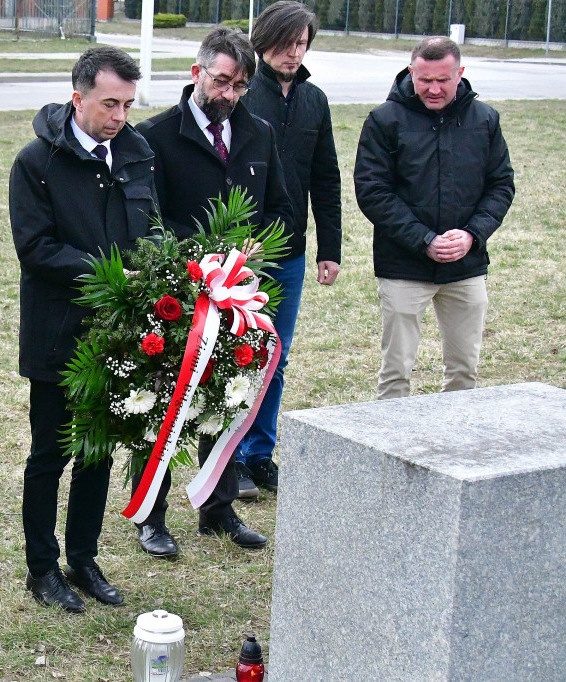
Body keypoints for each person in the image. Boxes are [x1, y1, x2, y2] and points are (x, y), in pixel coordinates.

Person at [134, 27, 295, 558]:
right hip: (179, 294)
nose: (229, 94)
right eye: (221, 81)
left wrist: (256, 249)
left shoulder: (258, 133)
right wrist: (200, 258)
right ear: (196, 72)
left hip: (239, 292)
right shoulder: (154, 137)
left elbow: (280, 208)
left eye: (240, 86)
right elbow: (149, 219)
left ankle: (218, 507)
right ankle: (151, 513)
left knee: (227, 398)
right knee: (163, 404)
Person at [10, 46, 157, 613]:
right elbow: (36, 249)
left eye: (127, 105)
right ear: (78, 99)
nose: (119, 116)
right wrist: (112, 274)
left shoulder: (137, 155)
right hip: (60, 334)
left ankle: (83, 558)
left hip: (122, 336)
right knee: (50, 454)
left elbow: (153, 227)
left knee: (99, 452)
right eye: (109, 104)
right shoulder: (36, 162)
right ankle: (42, 568)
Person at [354, 36, 514, 400]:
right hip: (404, 264)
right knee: (396, 372)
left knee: (464, 370)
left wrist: (472, 235)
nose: (434, 89)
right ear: (411, 72)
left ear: (460, 73)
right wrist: (423, 240)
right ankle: (391, 434)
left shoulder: (485, 119)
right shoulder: (384, 120)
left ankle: (453, 434)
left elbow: (501, 185)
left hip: (466, 266)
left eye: (443, 80)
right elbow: (373, 191)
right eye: (425, 80)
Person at [237, 1, 342, 496]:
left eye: (302, 44)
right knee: (237, 355)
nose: (294, 53)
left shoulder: (315, 100)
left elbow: (326, 177)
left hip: (292, 253)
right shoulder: (241, 95)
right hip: (242, 253)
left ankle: (259, 454)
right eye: (285, 43)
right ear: (263, 42)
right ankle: (230, 458)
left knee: (275, 358)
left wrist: (330, 248)